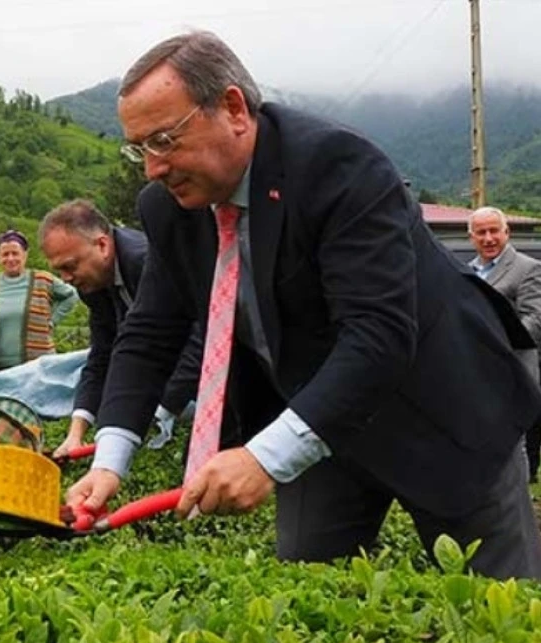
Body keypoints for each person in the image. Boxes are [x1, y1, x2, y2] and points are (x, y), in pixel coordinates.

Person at [66, 30, 541, 579]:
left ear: (234, 108)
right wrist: (110, 461)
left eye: (165, 140)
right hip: (318, 418)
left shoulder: (339, 167)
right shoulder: (170, 209)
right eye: (140, 147)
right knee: (306, 592)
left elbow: (378, 334)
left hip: (442, 404)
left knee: (494, 603)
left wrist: (263, 458)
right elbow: (150, 334)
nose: (152, 167)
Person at [37, 199, 205, 458]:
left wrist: (164, 406)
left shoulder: (145, 261)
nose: (66, 279)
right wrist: (76, 433)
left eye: (70, 266)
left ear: (102, 245)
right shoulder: (93, 283)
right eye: (59, 270)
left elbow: (200, 333)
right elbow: (103, 354)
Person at [468, 205, 541, 480]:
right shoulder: (467, 272)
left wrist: (495, 346)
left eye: (493, 231)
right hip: (476, 375)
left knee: (514, 446)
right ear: (471, 238)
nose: (488, 238)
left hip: (512, 372)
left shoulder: (528, 269)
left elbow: (535, 321)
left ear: (506, 232)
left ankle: (519, 508)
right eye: (480, 232)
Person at [0, 229, 78, 370]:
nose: (10, 259)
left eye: (15, 253)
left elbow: (71, 295)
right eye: (5, 254)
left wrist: (52, 321)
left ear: (25, 255)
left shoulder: (43, 280)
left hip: (37, 367)